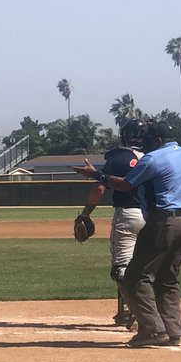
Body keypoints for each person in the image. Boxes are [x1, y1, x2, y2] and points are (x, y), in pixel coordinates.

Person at [83, 120, 181, 348]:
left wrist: (97, 175)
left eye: (148, 139)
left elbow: (126, 185)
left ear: (157, 140)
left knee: (134, 277)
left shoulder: (153, 158)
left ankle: (153, 330)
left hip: (161, 222)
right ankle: (173, 332)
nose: (145, 142)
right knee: (168, 278)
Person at [74, 119, 147, 328]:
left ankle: (138, 313)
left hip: (127, 215)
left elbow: (99, 189)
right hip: (153, 216)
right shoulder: (153, 156)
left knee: (121, 269)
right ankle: (126, 311)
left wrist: (86, 214)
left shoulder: (120, 157)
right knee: (145, 267)